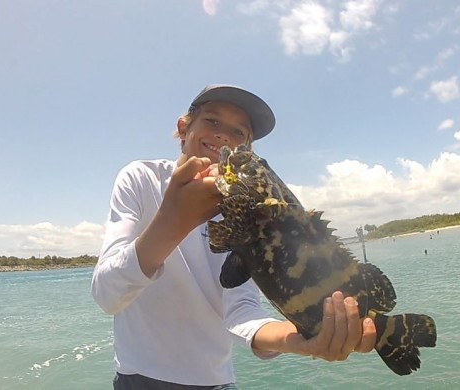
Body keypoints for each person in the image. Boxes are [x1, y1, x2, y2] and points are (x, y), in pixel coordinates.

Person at [91, 85, 377, 389]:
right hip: (139, 379)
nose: (224, 135)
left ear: (247, 151)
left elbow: (241, 309)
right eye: (212, 121)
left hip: (217, 382)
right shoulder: (141, 178)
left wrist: (299, 342)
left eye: (239, 133)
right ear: (183, 127)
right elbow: (107, 295)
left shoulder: (246, 210)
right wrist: (172, 222)